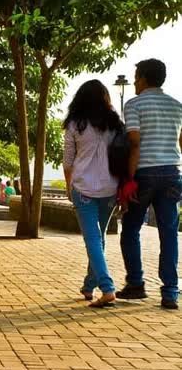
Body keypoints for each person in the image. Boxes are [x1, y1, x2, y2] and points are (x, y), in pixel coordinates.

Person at [118, 59, 182, 309]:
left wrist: (129, 179)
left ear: (144, 78)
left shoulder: (134, 104)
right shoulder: (177, 106)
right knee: (169, 233)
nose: (134, 82)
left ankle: (136, 283)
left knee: (131, 228)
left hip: (144, 172)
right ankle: (170, 291)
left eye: (136, 77)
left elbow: (134, 141)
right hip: (172, 173)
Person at [63, 79, 124, 308]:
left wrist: (70, 187)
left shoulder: (74, 124)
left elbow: (68, 161)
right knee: (98, 239)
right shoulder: (115, 123)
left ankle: (107, 288)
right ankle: (89, 285)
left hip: (83, 187)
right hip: (110, 188)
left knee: (93, 239)